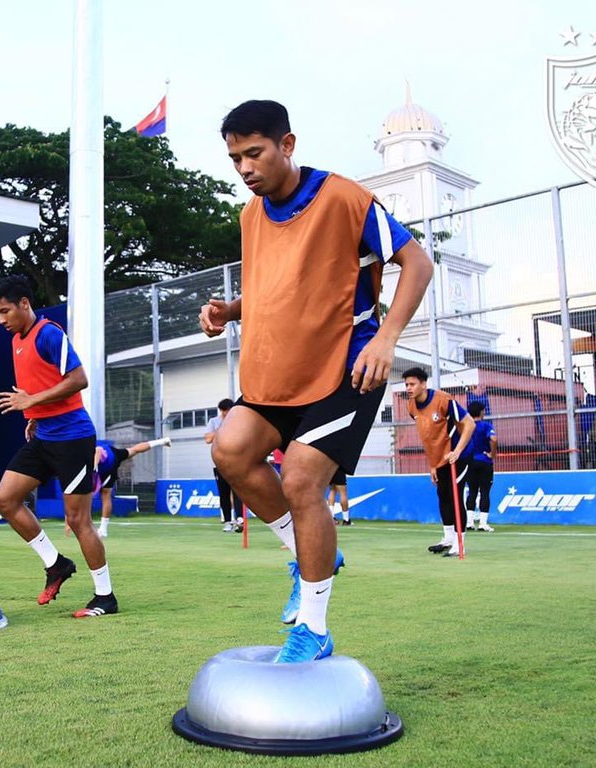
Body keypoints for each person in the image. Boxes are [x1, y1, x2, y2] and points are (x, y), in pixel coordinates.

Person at [199, 100, 434, 662]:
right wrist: (230, 310)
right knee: (230, 451)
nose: (245, 168)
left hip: (346, 368)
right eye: (234, 159)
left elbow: (418, 264)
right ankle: (307, 554)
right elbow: (275, 287)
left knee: (303, 479)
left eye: (254, 153)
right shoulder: (251, 216)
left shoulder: (344, 198)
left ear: (287, 144)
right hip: (277, 370)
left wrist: (386, 339)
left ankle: (314, 627)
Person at [0, 274, 117, 618]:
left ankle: (105, 596)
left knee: (78, 520)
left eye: (4, 311)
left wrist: (31, 401)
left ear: (24, 304)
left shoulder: (49, 334)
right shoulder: (17, 340)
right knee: (4, 499)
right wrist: (33, 414)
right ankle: (56, 564)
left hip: (73, 438)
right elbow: (41, 383)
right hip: (43, 435)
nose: (1, 320)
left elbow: (78, 379)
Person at [402, 367, 476, 555]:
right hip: (439, 459)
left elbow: (469, 423)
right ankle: (448, 539)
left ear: (423, 384)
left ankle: (459, 544)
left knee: (455, 495)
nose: (408, 388)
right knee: (443, 495)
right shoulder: (411, 406)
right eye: (406, 384)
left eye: (412, 384)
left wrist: (457, 451)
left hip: (458, 455)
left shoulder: (444, 400)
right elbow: (428, 436)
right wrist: (433, 465)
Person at [93, 436, 171, 538]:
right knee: (133, 450)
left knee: (105, 494)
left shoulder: (86, 453)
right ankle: (162, 441)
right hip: (110, 454)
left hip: (110, 461)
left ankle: (103, 529)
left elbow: (98, 450)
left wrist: (94, 467)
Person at [204, 399, 244, 532]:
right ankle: (227, 521)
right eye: (224, 411)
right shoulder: (214, 422)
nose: (227, 413)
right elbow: (208, 439)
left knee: (238, 490)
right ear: (221, 411)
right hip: (219, 462)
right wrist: (223, 428)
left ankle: (239, 518)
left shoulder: (237, 421)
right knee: (224, 492)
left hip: (235, 461)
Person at [463, 400, 498, 532]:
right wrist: (492, 454)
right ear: (481, 412)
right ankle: (483, 523)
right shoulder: (486, 426)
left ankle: (469, 522)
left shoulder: (466, 426)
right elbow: (493, 439)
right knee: (484, 492)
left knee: (472, 491)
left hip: (470, 461)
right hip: (484, 461)